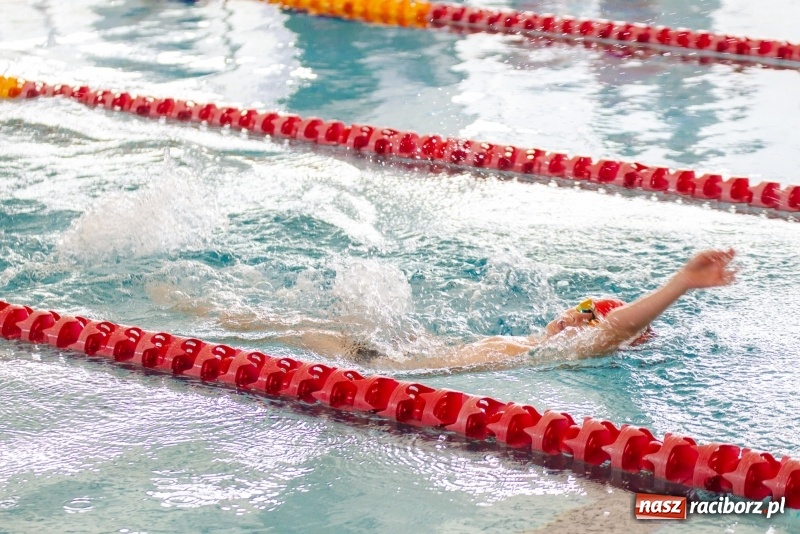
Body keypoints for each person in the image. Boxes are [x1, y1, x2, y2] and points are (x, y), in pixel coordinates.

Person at [211, 248, 737, 372]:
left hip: (390, 364)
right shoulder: (540, 344)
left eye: (587, 314)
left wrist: (682, 282)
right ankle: (207, 308)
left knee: (287, 329)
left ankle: (201, 309)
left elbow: (620, 326)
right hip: (412, 350)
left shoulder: (566, 351)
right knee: (286, 324)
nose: (573, 315)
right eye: (577, 307)